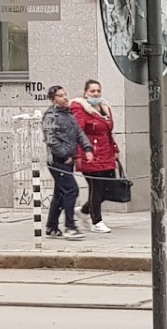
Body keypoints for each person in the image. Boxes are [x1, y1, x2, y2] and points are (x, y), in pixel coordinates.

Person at [40, 85, 89, 240]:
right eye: (60, 96)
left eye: (65, 94)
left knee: (60, 193)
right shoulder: (51, 116)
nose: (65, 97)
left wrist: (87, 148)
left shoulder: (68, 114)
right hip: (57, 161)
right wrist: (65, 154)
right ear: (53, 99)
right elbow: (51, 140)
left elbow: (78, 132)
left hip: (68, 160)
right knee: (71, 190)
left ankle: (52, 227)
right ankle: (70, 226)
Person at [72, 78, 120, 234]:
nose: (96, 93)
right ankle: (96, 221)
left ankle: (84, 210)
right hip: (91, 153)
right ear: (85, 93)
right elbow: (78, 132)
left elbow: (108, 132)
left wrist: (115, 149)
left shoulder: (104, 108)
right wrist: (79, 154)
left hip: (107, 153)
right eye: (92, 91)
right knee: (97, 187)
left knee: (109, 188)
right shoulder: (80, 108)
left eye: (98, 91)